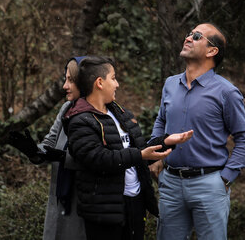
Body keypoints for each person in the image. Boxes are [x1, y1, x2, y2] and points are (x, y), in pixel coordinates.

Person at [62, 56, 193, 240]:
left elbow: (138, 153)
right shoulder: (80, 120)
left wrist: (167, 140)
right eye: (113, 78)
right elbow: (99, 159)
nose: (117, 84)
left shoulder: (121, 113)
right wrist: (139, 154)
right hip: (105, 211)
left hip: (135, 203)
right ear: (99, 82)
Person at [150, 23, 245, 240]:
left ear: (211, 51)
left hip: (210, 185)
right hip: (170, 183)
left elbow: (244, 138)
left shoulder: (227, 92)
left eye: (196, 36)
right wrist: (155, 153)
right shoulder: (170, 84)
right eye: (189, 34)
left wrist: (225, 178)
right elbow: (161, 120)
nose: (188, 38)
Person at [8, 56, 88, 240]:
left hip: (82, 202)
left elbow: (96, 158)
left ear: (84, 82)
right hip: (58, 198)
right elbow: (50, 143)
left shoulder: (99, 116)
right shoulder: (67, 108)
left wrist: (63, 157)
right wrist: (34, 152)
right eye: (65, 79)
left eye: (71, 80)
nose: (64, 86)